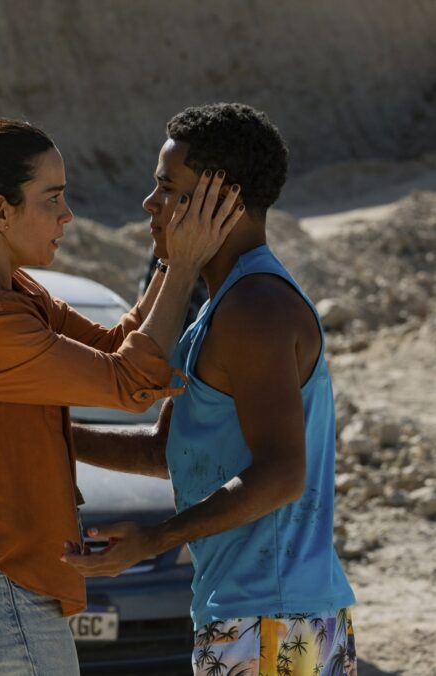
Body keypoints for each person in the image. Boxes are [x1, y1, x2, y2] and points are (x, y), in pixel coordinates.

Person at [0, 117, 242, 674]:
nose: (67, 215)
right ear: (0, 213)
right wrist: (187, 265)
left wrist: (172, 261)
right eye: (52, 199)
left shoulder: (8, 292)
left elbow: (115, 344)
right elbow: (130, 384)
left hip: (4, 588)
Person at [63, 103, 357, 676]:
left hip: (273, 619)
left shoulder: (256, 307)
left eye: (167, 188)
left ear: (222, 198)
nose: (150, 205)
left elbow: (281, 474)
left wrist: (155, 538)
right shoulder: (222, 305)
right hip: (255, 615)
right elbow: (162, 451)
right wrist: (51, 433)